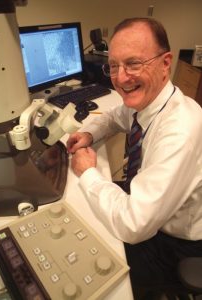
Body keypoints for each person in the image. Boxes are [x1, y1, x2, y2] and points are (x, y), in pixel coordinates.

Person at [67, 17, 202, 299]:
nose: (120, 77)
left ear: (166, 63)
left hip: (178, 242)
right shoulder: (151, 100)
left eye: (133, 63)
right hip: (150, 207)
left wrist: (89, 172)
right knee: (84, 215)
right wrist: (90, 133)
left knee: (89, 259)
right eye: (114, 65)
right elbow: (117, 116)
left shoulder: (180, 131)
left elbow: (133, 225)